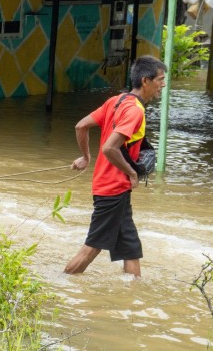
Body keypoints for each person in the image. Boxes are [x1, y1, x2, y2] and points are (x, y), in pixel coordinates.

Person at [63, 55, 167, 277]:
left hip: (111, 187)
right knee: (92, 248)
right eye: (160, 79)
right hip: (114, 189)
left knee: (130, 249)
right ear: (146, 81)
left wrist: (85, 157)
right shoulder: (135, 111)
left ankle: (132, 298)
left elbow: (81, 126)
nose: (163, 84)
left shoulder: (116, 101)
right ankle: (60, 283)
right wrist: (131, 173)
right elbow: (110, 148)